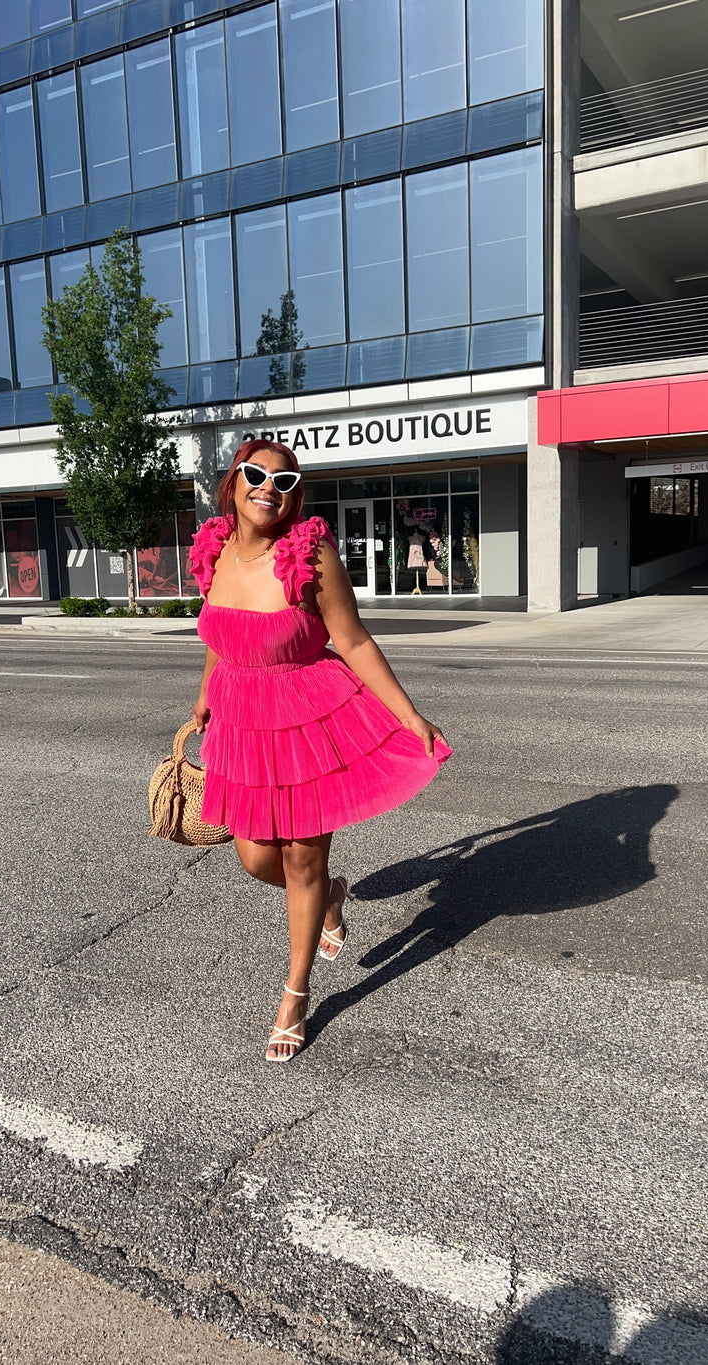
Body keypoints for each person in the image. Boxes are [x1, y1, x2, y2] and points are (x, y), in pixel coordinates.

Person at [189, 439, 452, 1064]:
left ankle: (295, 991)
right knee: (256, 859)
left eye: (284, 480)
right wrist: (203, 696)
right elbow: (219, 634)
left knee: (301, 860)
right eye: (255, 475)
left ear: (294, 491)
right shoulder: (211, 550)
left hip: (306, 713)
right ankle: (331, 897)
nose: (267, 489)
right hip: (241, 719)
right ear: (233, 483)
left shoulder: (311, 556)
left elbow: (354, 641)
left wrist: (408, 714)